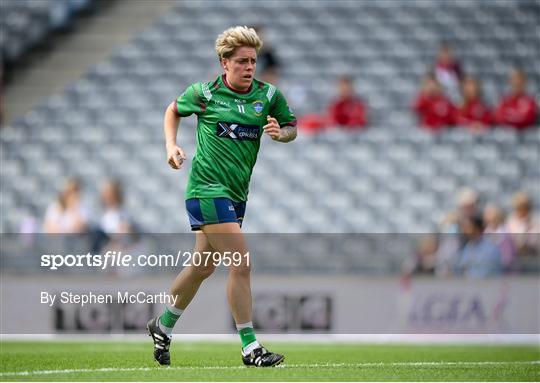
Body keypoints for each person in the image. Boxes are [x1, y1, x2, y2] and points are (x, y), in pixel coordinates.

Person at [147, 26, 296, 368]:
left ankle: (163, 324)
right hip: (206, 188)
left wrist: (279, 133)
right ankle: (250, 347)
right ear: (223, 63)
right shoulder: (205, 93)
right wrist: (171, 146)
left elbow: (292, 128)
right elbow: (172, 110)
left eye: (253, 61)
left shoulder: (269, 96)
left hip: (236, 194)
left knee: (203, 266)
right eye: (241, 61)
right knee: (241, 264)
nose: (248, 67)